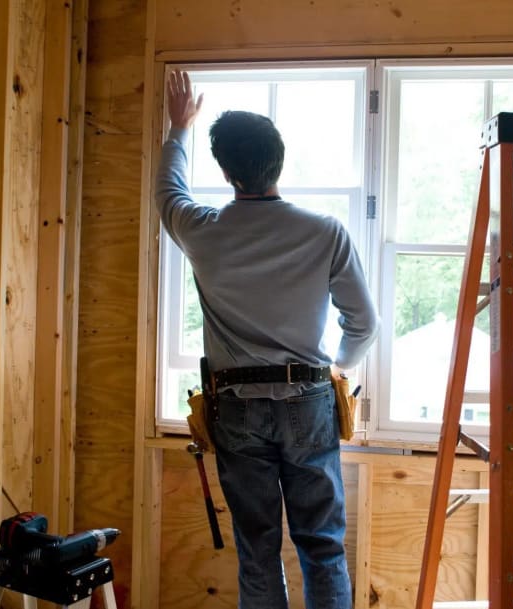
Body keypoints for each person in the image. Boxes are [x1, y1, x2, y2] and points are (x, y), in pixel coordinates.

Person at [156, 69, 380, 609]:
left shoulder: (203, 231)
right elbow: (363, 324)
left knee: (257, 551)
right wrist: (339, 369)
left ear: (228, 173)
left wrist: (178, 128)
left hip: (237, 407)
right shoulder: (325, 232)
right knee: (323, 546)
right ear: (278, 161)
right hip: (309, 401)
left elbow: (168, 190)